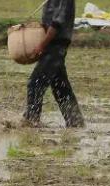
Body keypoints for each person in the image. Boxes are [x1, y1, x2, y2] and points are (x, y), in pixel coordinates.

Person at [23, 0, 85, 128]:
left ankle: (31, 121)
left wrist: (41, 45)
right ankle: (75, 121)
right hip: (51, 45)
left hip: (55, 46)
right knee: (60, 87)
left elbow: (57, 24)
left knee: (35, 83)